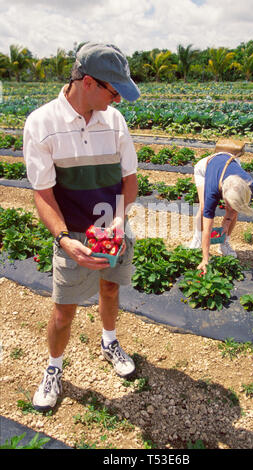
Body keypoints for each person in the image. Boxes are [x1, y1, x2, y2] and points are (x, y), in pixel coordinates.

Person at [23, 43, 141, 412]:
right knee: (63, 311)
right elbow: (43, 194)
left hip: (113, 227)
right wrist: (63, 239)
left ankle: (109, 342)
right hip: (71, 235)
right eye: (113, 89)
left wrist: (119, 220)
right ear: (87, 82)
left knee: (109, 289)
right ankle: (54, 368)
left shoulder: (115, 121)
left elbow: (130, 181)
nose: (118, 97)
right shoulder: (41, 124)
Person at [189, 139, 253, 274]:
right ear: (222, 194)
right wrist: (205, 259)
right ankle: (197, 239)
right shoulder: (212, 190)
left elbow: (235, 207)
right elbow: (208, 227)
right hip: (205, 168)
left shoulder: (249, 185)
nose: (229, 207)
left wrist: (227, 221)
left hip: (229, 164)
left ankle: (224, 242)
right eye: (228, 202)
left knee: (235, 210)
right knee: (203, 208)